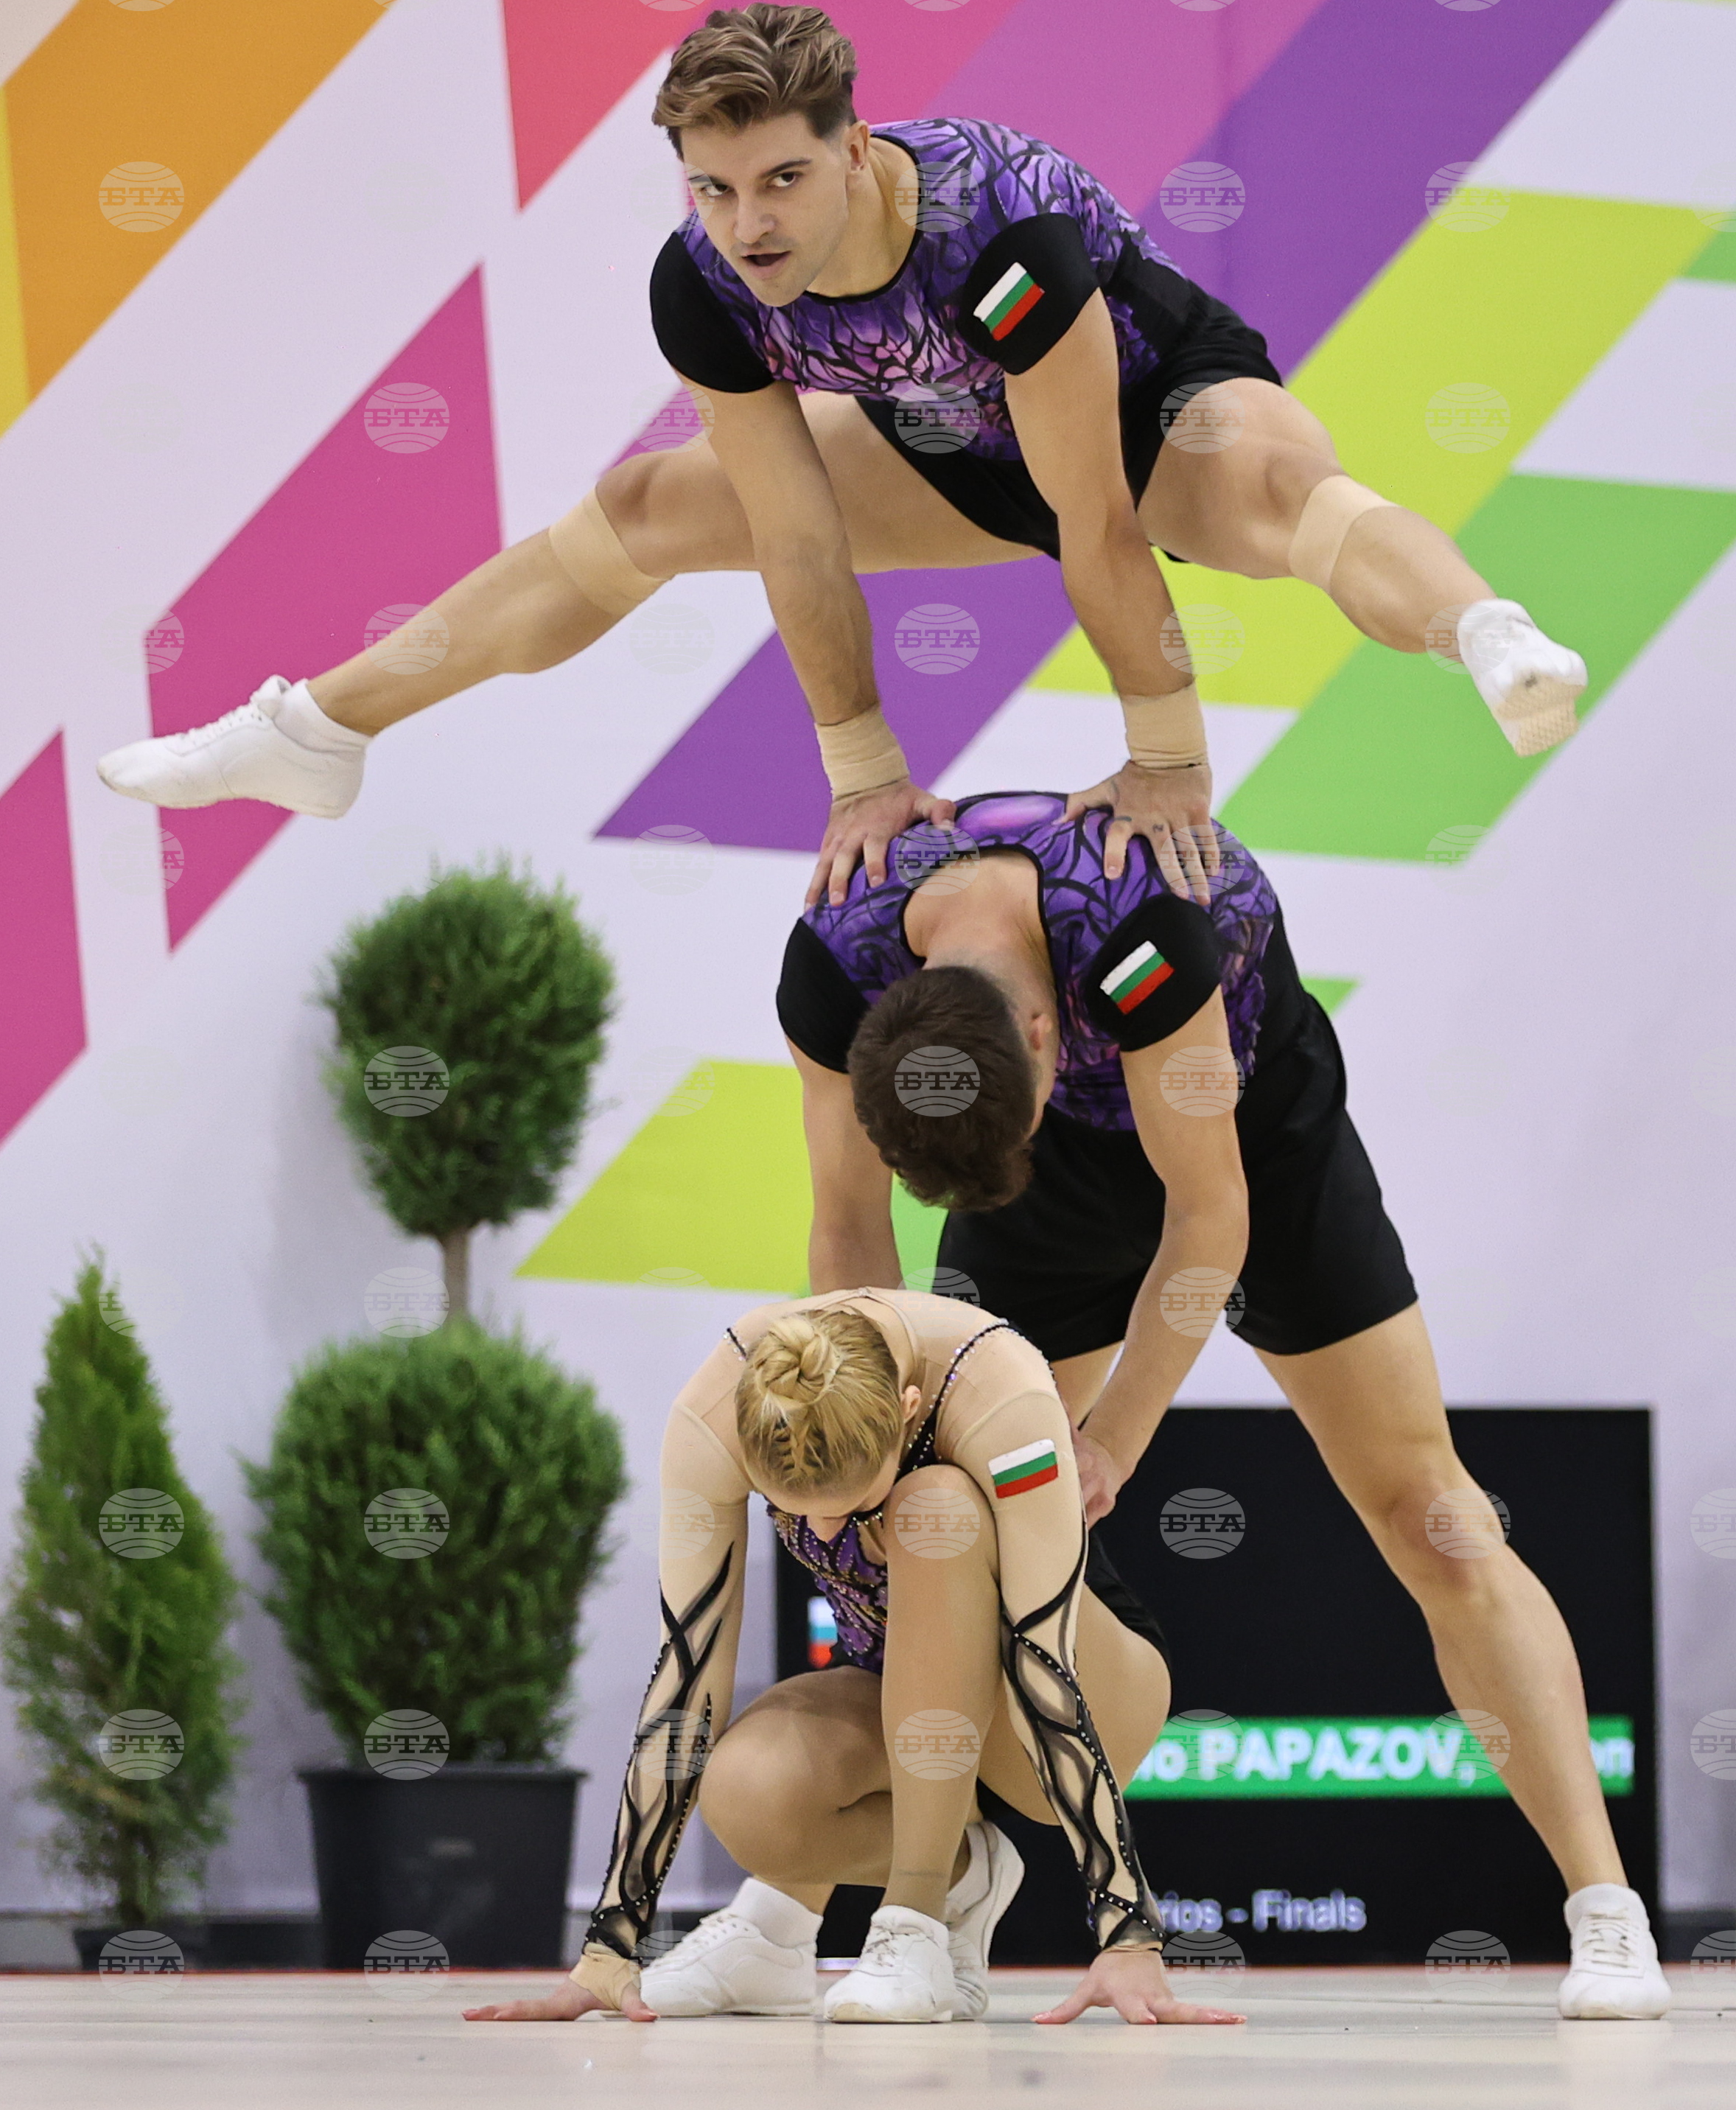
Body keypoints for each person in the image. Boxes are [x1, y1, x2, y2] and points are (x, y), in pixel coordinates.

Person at [99, 4, 1586, 906]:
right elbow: (798, 541)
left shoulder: (994, 227)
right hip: (941, 433)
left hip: (1132, 411)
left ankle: (1488, 632)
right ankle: (318, 733)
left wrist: (1167, 762)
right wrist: (865, 774)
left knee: (1276, 487)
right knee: (644, 509)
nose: (752, 223)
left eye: (784, 178)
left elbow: (1090, 520)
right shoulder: (706, 279)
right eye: (716, 186)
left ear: (858, 145)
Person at [773, 789, 1671, 2020]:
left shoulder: (1138, 919)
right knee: (938, 1515)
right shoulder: (841, 948)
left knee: (1433, 1519)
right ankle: (877, 1909)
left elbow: (1207, 1221)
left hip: (1253, 1148)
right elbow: (845, 1221)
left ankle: (1604, 1912)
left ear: (1047, 1030)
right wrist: (874, 1425)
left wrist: (1110, 1444)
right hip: (1044, 1183)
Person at [464, 1293, 1242, 2028]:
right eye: (795, 1509)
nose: (823, 1524)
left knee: (935, 1507)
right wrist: (608, 1947)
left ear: (908, 1414)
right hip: (894, 1683)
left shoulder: (1000, 1391)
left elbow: (1047, 1659)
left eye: (846, 1500)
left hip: (1069, 1693)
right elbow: (688, 1676)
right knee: (748, 1790)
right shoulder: (715, 1413)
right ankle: (790, 1928)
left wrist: (1129, 1933)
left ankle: (913, 1923)